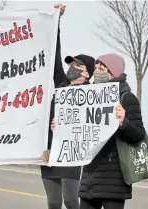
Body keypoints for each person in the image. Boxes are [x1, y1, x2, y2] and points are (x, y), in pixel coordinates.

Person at [41, 4, 96, 209]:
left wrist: (65, 127)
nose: (72, 67)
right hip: (51, 151)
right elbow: (55, 53)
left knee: (71, 201)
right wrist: (58, 20)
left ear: (87, 73)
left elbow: (91, 125)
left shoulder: (92, 95)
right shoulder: (62, 84)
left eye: (77, 65)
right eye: (71, 64)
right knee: (53, 202)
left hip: (71, 153)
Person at [78, 53, 146, 209]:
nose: (97, 72)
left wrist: (124, 122)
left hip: (113, 179)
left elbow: (138, 135)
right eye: (96, 68)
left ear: (114, 72)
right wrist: (61, 128)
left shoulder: (126, 98)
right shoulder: (89, 96)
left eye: (102, 68)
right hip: (90, 177)